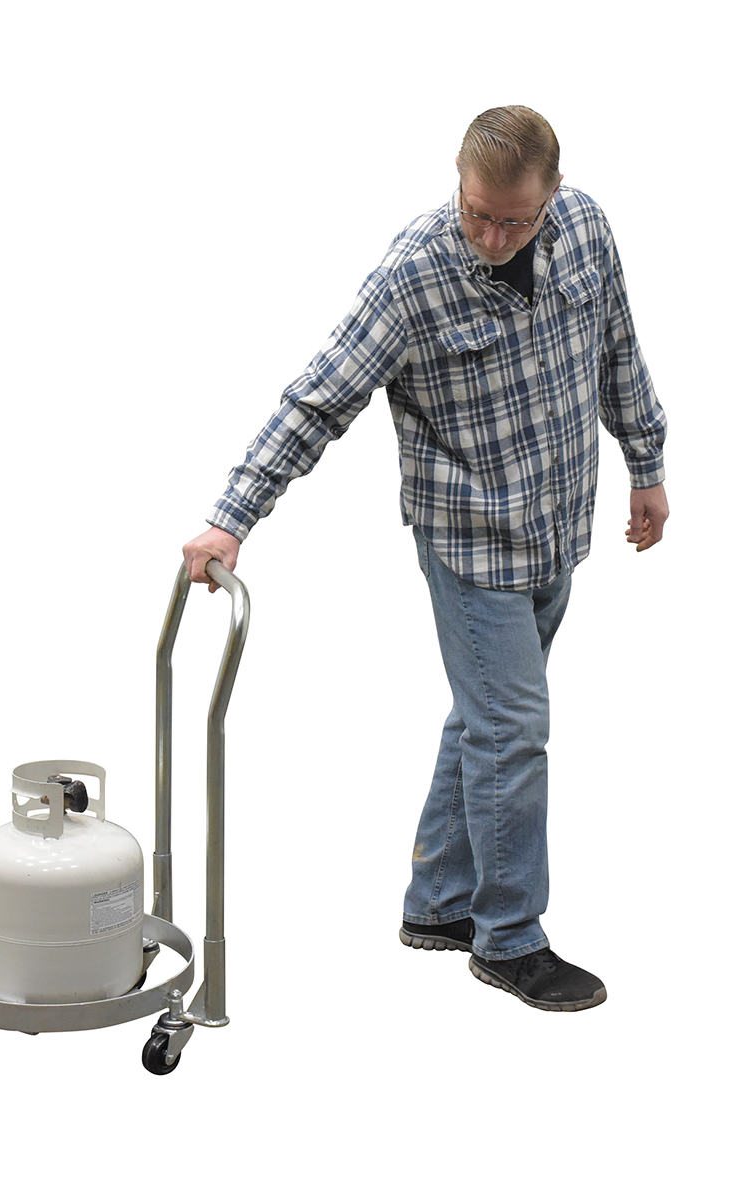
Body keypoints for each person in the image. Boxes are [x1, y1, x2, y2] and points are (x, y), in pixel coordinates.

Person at [183, 106, 668, 1012]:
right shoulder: (414, 275)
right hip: (470, 542)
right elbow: (316, 401)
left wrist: (647, 464)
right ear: (458, 177)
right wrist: (231, 519)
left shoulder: (586, 228)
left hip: (558, 524)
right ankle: (509, 938)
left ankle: (440, 901)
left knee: (489, 720)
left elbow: (618, 349)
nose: (492, 237)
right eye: (477, 212)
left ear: (553, 195)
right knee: (514, 729)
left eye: (514, 221)